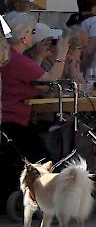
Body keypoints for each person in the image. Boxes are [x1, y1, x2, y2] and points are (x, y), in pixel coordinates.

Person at [0, 13, 69, 200]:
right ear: (23, 36)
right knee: (43, 161)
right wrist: (61, 55)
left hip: (12, 119)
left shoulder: (11, 58)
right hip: (13, 121)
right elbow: (47, 83)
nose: (32, 35)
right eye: (31, 32)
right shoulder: (17, 60)